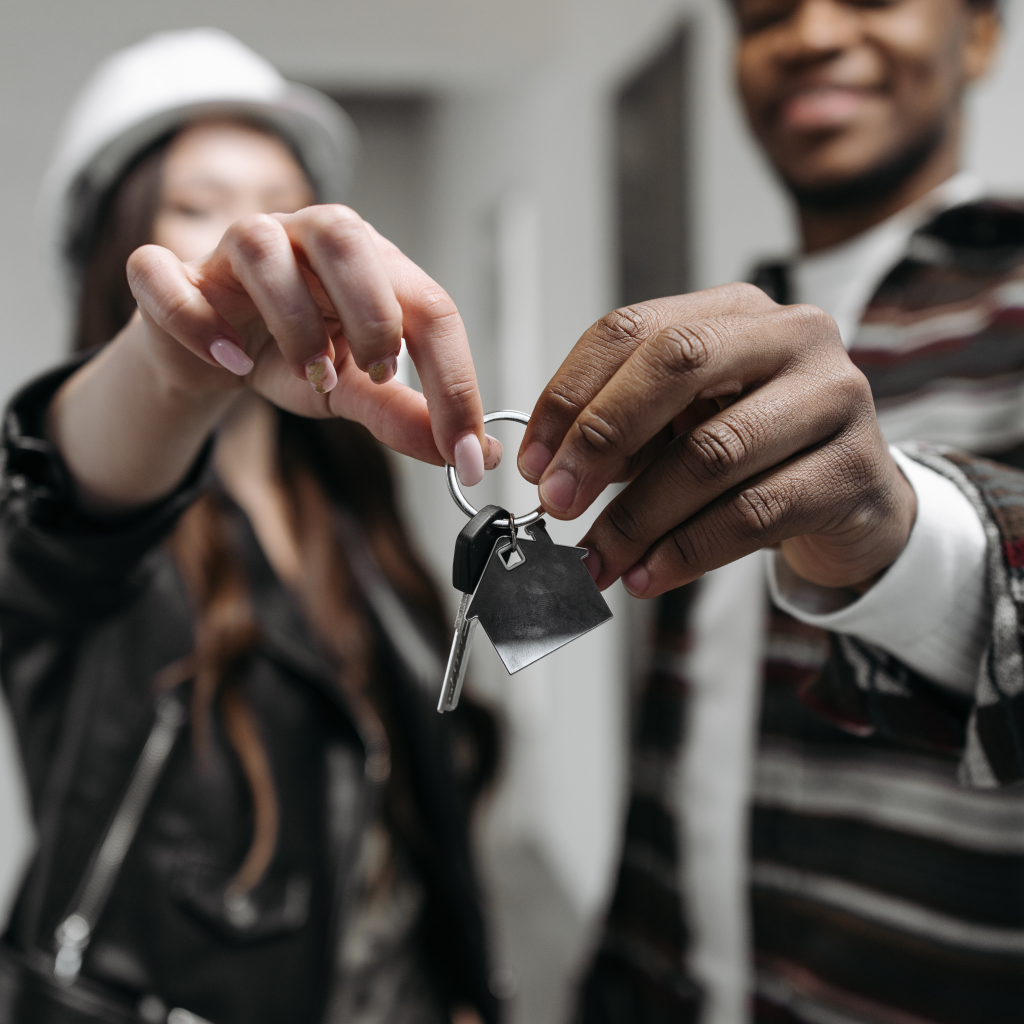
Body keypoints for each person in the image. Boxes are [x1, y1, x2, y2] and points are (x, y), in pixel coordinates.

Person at [516, 0, 1024, 1022]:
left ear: (977, 35)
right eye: (763, 14)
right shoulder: (712, 336)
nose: (809, 34)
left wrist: (908, 541)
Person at [0, 29, 502, 1024]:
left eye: (278, 202)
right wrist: (174, 363)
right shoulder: (93, 497)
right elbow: (63, 511)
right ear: (118, 256)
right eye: (199, 206)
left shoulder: (350, 503)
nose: (256, 235)